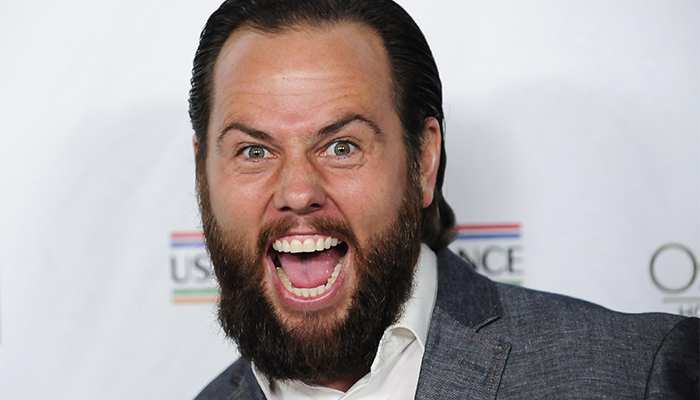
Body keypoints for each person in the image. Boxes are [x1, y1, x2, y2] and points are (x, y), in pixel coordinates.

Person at [189, 0, 699, 398]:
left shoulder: (632, 375)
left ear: (424, 161)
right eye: (254, 151)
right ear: (202, 171)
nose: (298, 192)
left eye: (342, 147)